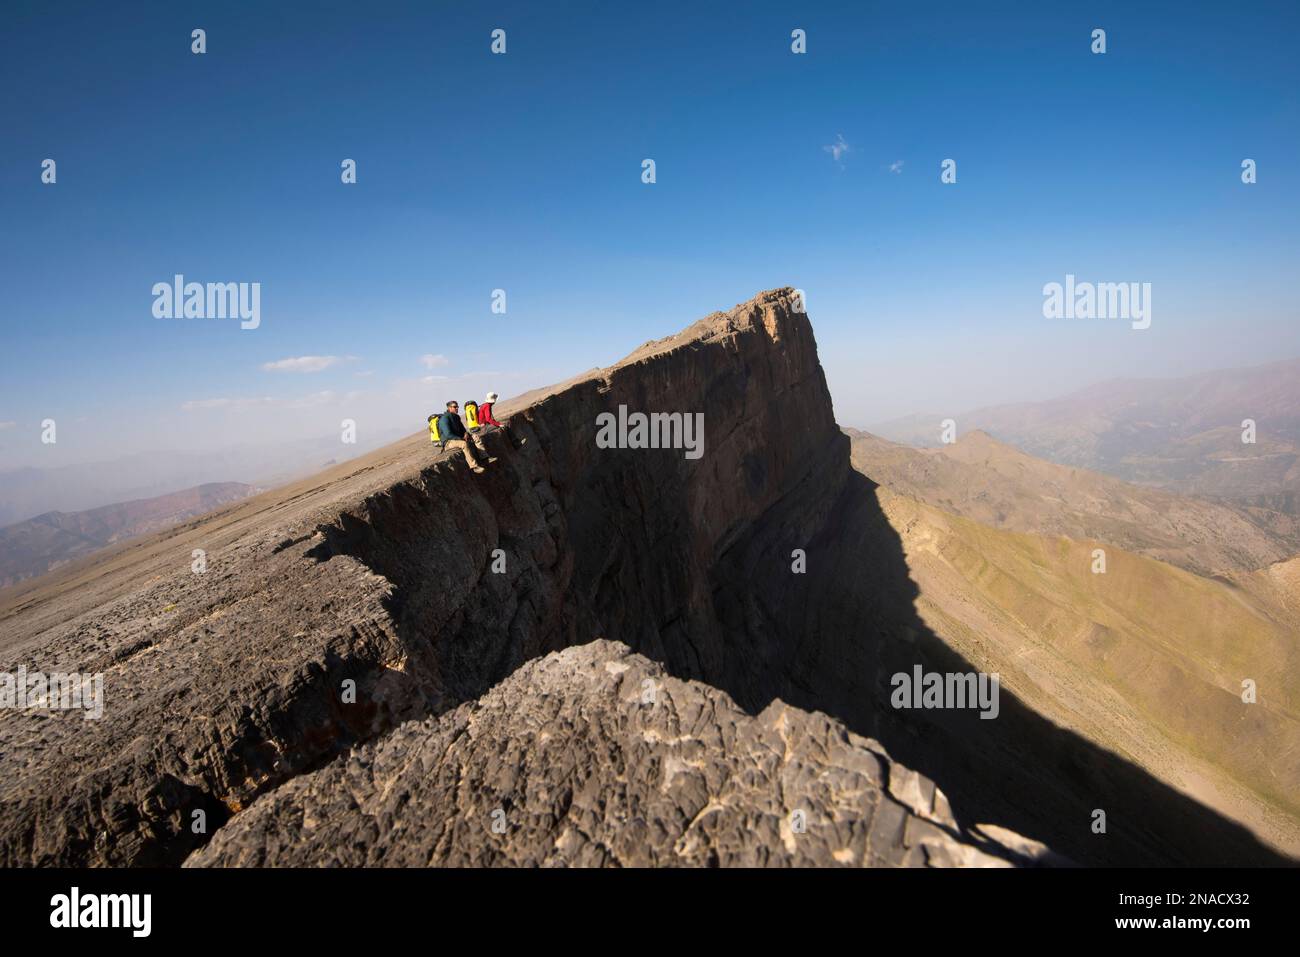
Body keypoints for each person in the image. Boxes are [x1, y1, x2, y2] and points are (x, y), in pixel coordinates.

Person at [435, 400, 489, 473]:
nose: (457, 408)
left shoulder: (456, 417)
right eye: (455, 407)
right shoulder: (444, 419)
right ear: (449, 408)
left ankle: (485, 458)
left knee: (475, 436)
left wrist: (465, 433)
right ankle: (474, 466)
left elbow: (462, 429)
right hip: (448, 442)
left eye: (457, 406)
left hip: (457, 438)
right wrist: (461, 439)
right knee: (463, 444)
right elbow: (448, 434)